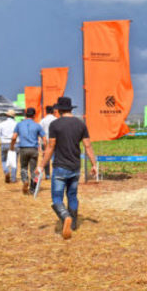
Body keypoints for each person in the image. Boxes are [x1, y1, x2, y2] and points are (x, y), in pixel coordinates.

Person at [36, 97, 97, 240]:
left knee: (57, 198)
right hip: (75, 167)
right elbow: (87, 145)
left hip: (59, 167)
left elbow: (50, 147)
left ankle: (65, 217)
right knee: (72, 195)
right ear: (71, 108)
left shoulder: (55, 125)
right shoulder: (80, 124)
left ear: (59, 110)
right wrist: (94, 164)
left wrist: (41, 166)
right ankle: (74, 224)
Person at [10, 107, 46, 195]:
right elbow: (44, 139)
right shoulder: (37, 125)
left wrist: (11, 146)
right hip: (34, 150)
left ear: (26, 114)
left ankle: (25, 181)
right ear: (34, 115)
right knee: (33, 169)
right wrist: (44, 150)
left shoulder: (19, 124)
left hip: (23, 149)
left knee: (23, 167)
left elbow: (14, 137)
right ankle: (33, 189)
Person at [0, 109, 18, 183]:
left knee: (4, 160)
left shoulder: (2, 124)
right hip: (15, 143)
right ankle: (13, 178)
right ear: (14, 116)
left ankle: (6, 171)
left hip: (4, 143)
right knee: (14, 161)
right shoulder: (17, 124)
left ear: (7, 115)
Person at [39, 105, 58, 179]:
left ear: (46, 111)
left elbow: (40, 132)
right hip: (55, 141)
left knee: (46, 158)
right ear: (52, 111)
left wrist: (40, 144)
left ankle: (47, 175)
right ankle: (55, 173)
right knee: (55, 158)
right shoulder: (56, 119)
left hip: (46, 142)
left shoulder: (43, 120)